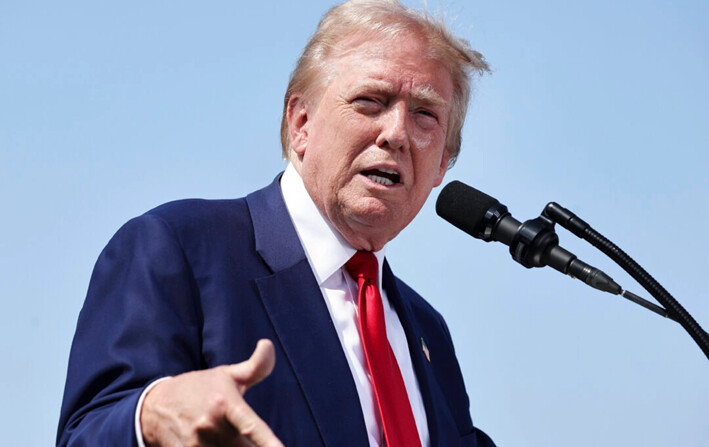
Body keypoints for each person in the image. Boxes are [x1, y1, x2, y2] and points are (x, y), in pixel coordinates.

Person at [57, 0, 495, 446]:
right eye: (370, 101)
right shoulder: (178, 248)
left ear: (442, 164)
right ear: (301, 123)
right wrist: (149, 417)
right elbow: (86, 434)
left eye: (425, 114)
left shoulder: (427, 330)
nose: (397, 133)